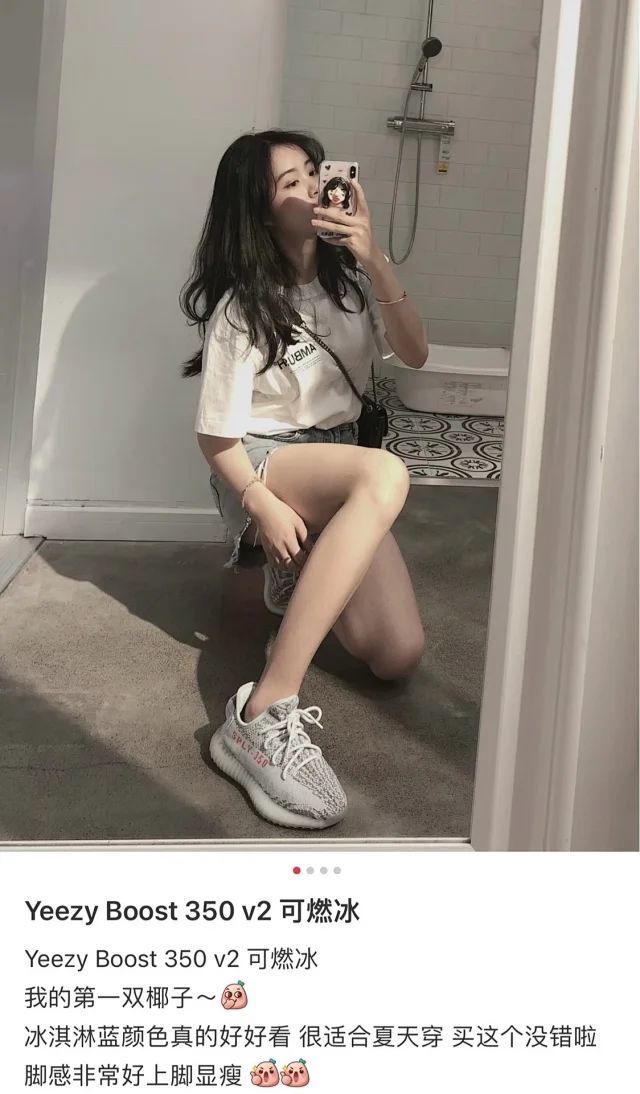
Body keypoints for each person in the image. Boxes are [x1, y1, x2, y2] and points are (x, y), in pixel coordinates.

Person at [179, 128, 429, 831]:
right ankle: (260, 713)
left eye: (316, 172)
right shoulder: (242, 306)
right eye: (292, 182)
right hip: (268, 464)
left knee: (396, 655)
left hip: (340, 462)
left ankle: (303, 570)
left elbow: (415, 353)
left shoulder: (350, 286)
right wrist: (258, 501)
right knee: (385, 474)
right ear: (259, 211)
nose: (316, 187)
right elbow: (216, 436)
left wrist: (374, 257)